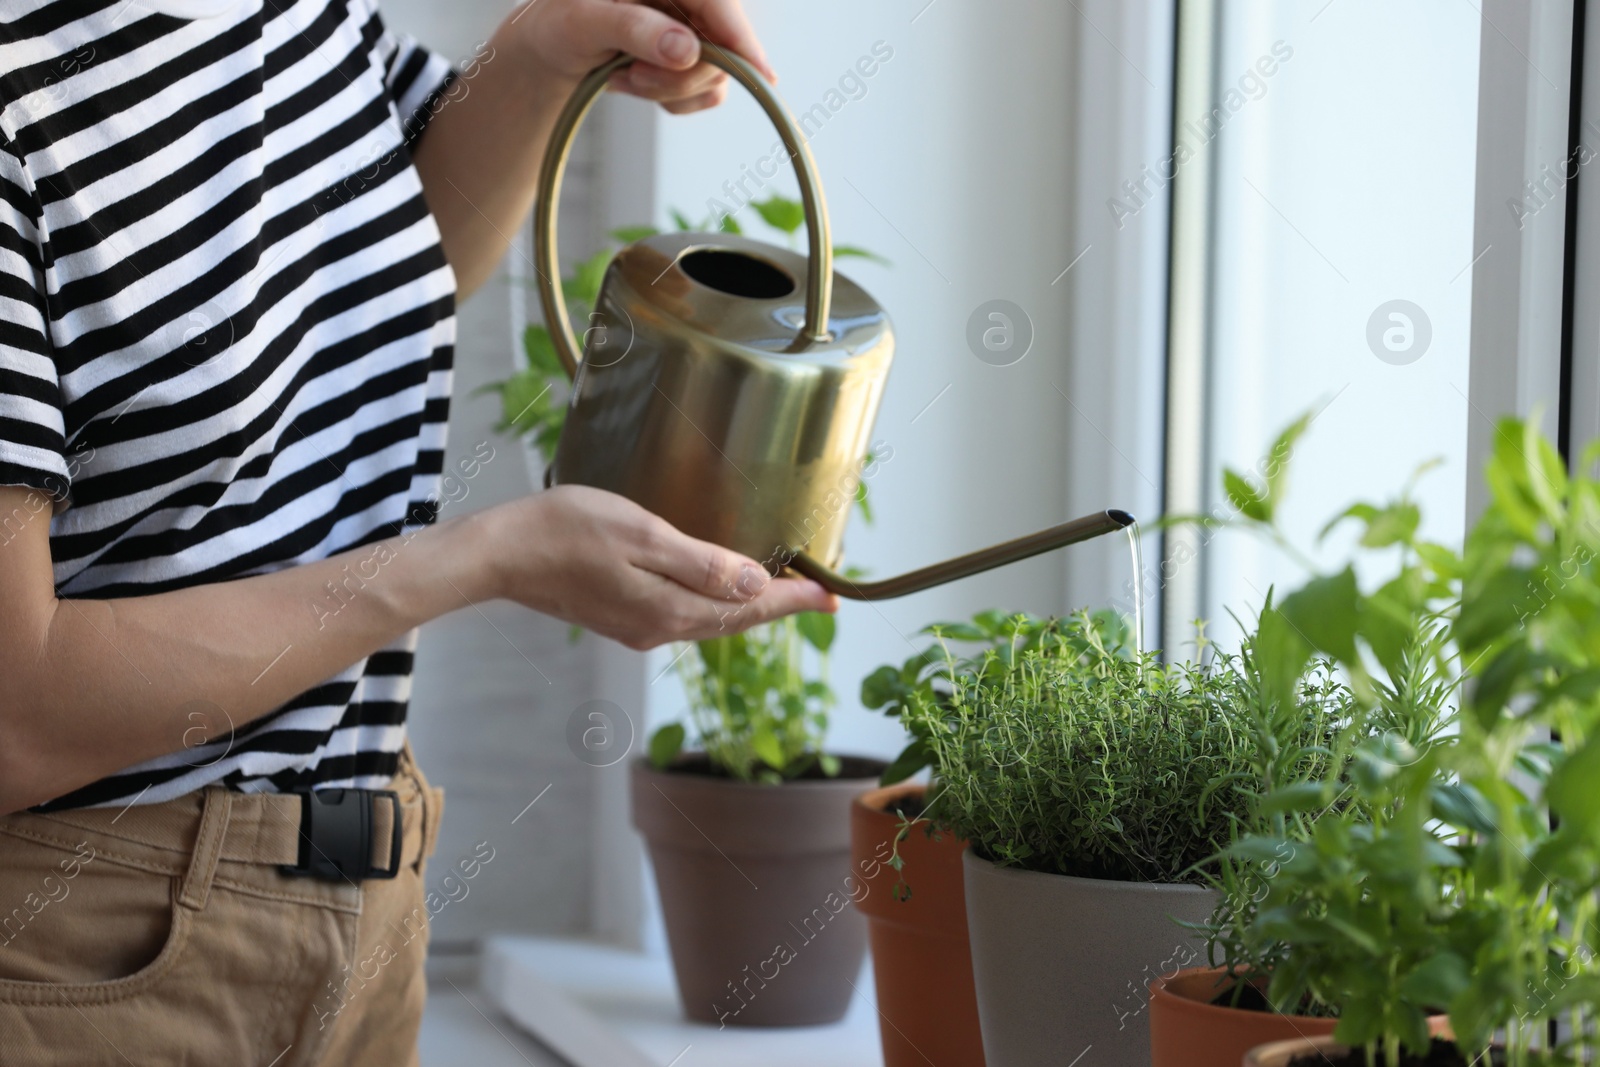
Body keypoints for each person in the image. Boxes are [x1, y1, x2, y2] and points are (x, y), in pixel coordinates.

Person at [0, 0, 831, 1062]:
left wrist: (541, 51)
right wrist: (480, 559)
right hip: (90, 956)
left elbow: (387, 249)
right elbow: (16, 715)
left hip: (368, 906)